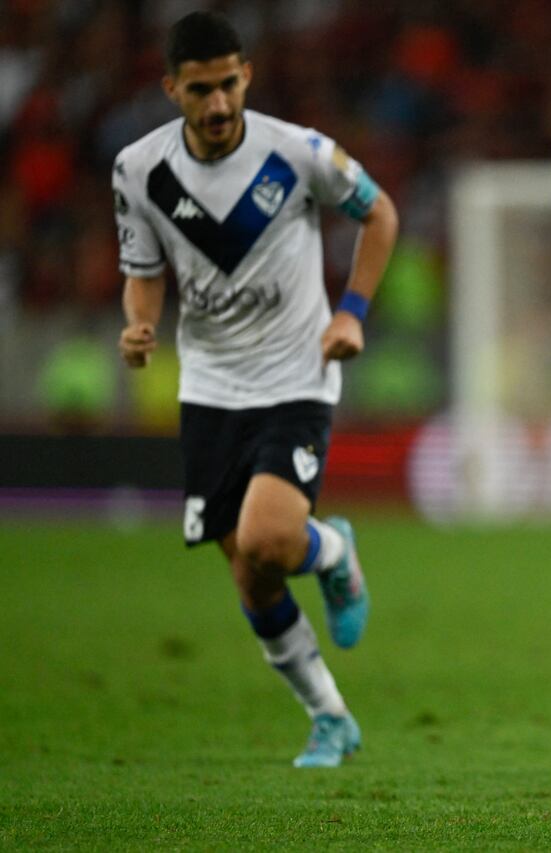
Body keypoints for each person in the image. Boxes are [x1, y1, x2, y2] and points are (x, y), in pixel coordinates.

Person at [113, 12, 399, 767]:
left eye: (228, 84)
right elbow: (143, 271)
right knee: (251, 572)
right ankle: (330, 716)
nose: (217, 104)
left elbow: (379, 213)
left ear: (247, 76)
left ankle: (332, 550)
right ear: (172, 88)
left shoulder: (298, 153)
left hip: (296, 373)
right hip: (210, 387)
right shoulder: (139, 170)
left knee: (271, 539)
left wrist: (351, 312)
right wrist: (139, 322)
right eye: (199, 90)